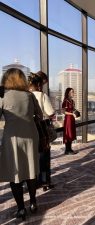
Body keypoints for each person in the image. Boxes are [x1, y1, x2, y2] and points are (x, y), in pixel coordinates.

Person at [0, 68, 39, 220]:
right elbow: (39, 115)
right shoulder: (30, 95)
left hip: (13, 137)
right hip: (30, 135)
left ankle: (21, 209)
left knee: (14, 173)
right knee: (30, 169)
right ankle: (33, 202)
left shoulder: (3, 95)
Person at [28, 72, 55, 191]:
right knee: (44, 157)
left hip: (28, 129)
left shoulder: (26, 95)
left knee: (32, 157)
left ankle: (32, 181)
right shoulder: (42, 95)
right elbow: (50, 113)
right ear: (40, 83)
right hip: (42, 129)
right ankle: (44, 181)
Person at [62, 87, 78, 155]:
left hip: (72, 119)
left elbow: (73, 109)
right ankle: (67, 150)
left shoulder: (72, 101)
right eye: (72, 92)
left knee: (71, 133)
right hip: (68, 119)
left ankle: (70, 149)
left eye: (73, 92)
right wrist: (72, 113)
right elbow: (63, 112)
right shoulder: (65, 101)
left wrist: (76, 112)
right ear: (68, 93)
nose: (73, 93)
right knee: (68, 133)